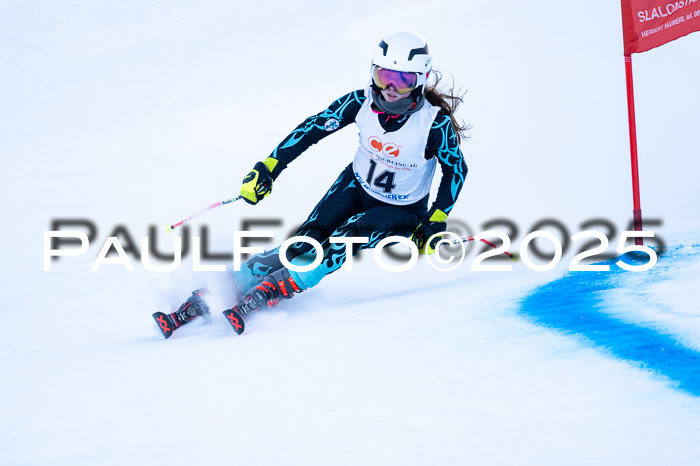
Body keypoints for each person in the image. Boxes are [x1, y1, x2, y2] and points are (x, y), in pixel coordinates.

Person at [158, 31, 469, 337]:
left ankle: (277, 289)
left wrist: (436, 218)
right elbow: (311, 129)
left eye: (402, 80)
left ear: (420, 79)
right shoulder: (360, 102)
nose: (389, 88)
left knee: (345, 240)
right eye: (383, 74)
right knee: (305, 243)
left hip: (402, 208)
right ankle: (221, 290)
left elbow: (456, 170)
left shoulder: (434, 123)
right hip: (356, 187)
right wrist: (270, 166)